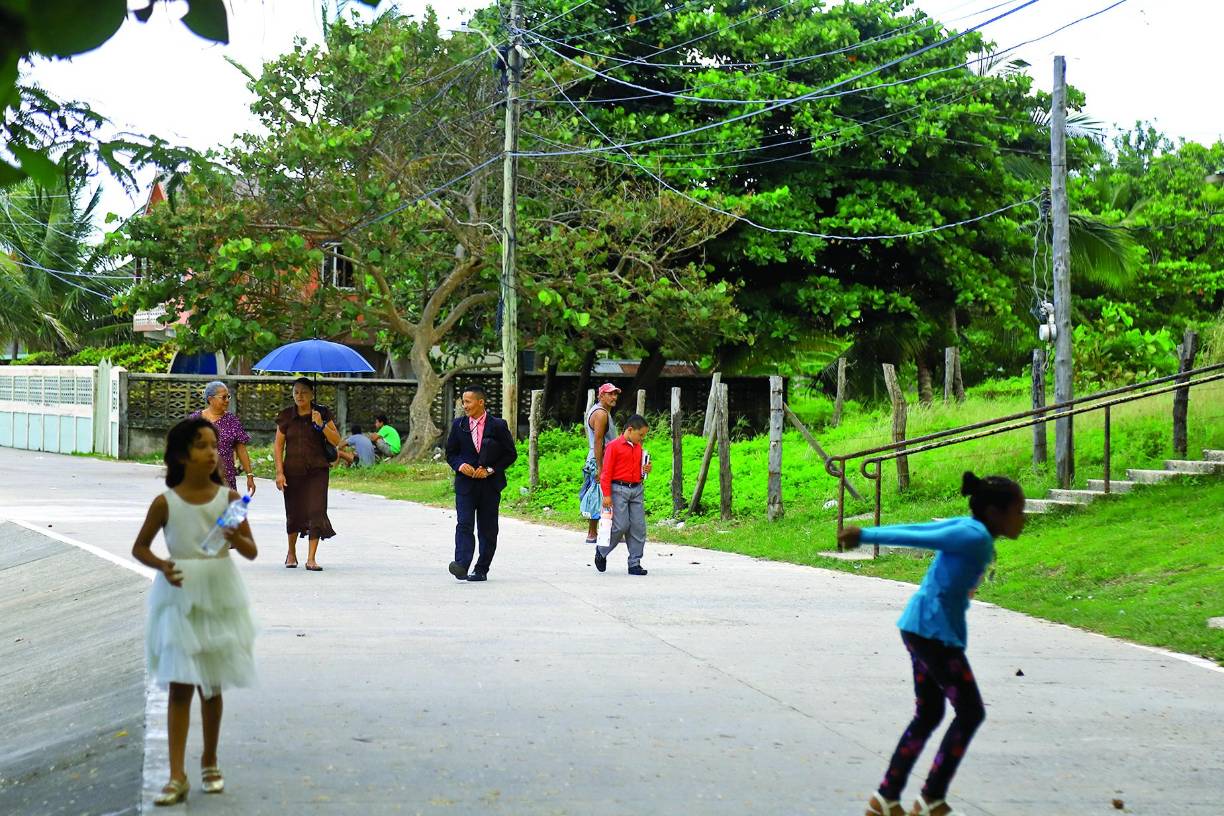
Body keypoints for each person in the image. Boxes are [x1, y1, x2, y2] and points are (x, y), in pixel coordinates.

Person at [839, 472, 1026, 816]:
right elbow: (922, 537)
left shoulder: (972, 532)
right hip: (932, 634)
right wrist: (866, 535)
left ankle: (886, 798)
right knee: (970, 713)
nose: (1023, 518)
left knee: (929, 714)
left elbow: (924, 529)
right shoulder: (975, 537)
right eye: (1018, 510)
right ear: (995, 512)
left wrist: (867, 535)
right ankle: (930, 798)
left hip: (923, 629)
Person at [131, 417, 258, 806]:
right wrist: (162, 565)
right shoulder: (164, 503)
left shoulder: (231, 501)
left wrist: (235, 536)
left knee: (212, 684)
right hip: (180, 593)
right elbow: (141, 547)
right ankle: (176, 774)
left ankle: (210, 760)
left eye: (213, 445)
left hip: (219, 591)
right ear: (184, 454)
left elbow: (251, 550)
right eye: (203, 445)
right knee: (180, 686)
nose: (211, 452)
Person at [444, 385, 517, 582]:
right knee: (464, 524)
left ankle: (481, 568)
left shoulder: (498, 425)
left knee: (487, 528)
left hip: (490, 486)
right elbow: (450, 453)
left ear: (480, 402)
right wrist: (460, 466)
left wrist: (490, 470)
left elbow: (510, 454)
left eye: (468, 402)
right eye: (463, 402)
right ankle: (461, 564)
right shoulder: (458, 425)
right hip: (465, 485)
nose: (464, 406)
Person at [273, 378, 341, 571]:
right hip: (292, 471)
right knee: (294, 512)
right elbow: (278, 446)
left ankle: (311, 558)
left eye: (304, 392)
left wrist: (321, 425)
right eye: (296, 392)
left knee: (316, 511)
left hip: (318, 471)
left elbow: (336, 440)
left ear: (312, 394)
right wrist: (279, 473)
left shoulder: (322, 413)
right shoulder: (286, 415)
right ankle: (291, 552)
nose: (299, 396)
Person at [596, 414, 653, 576]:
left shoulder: (639, 448)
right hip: (618, 490)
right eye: (640, 434)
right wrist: (606, 495)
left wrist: (646, 470)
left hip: (636, 489)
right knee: (621, 525)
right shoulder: (613, 447)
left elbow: (639, 470)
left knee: (638, 527)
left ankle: (634, 563)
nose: (642, 438)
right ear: (629, 430)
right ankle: (601, 551)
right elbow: (606, 473)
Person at [189, 380, 256, 495]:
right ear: (210, 399)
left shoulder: (232, 420)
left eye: (228, 397)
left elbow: (241, 449)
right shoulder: (195, 420)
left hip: (225, 479)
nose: (227, 401)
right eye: (223, 397)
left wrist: (249, 475)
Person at [579, 383, 620, 544]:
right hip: (600, 458)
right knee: (599, 494)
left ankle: (602, 531)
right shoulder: (601, 414)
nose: (614, 397)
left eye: (615, 394)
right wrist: (601, 468)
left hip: (602, 457)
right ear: (601, 396)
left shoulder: (601, 412)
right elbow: (598, 441)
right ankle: (592, 532)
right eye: (610, 394)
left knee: (602, 494)